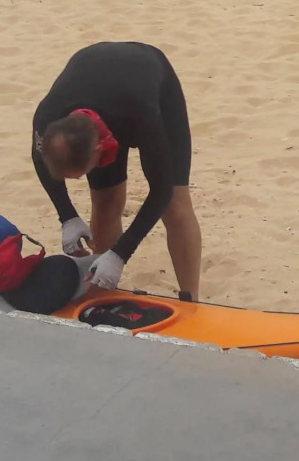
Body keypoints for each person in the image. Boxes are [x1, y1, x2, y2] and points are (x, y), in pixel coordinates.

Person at [31, 41, 201, 297]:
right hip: (92, 77)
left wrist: (120, 254)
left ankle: (192, 300)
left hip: (149, 81)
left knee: (175, 206)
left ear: (99, 150)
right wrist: (67, 216)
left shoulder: (140, 116)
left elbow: (161, 189)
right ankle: (103, 291)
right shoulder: (47, 118)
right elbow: (39, 159)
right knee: (106, 204)